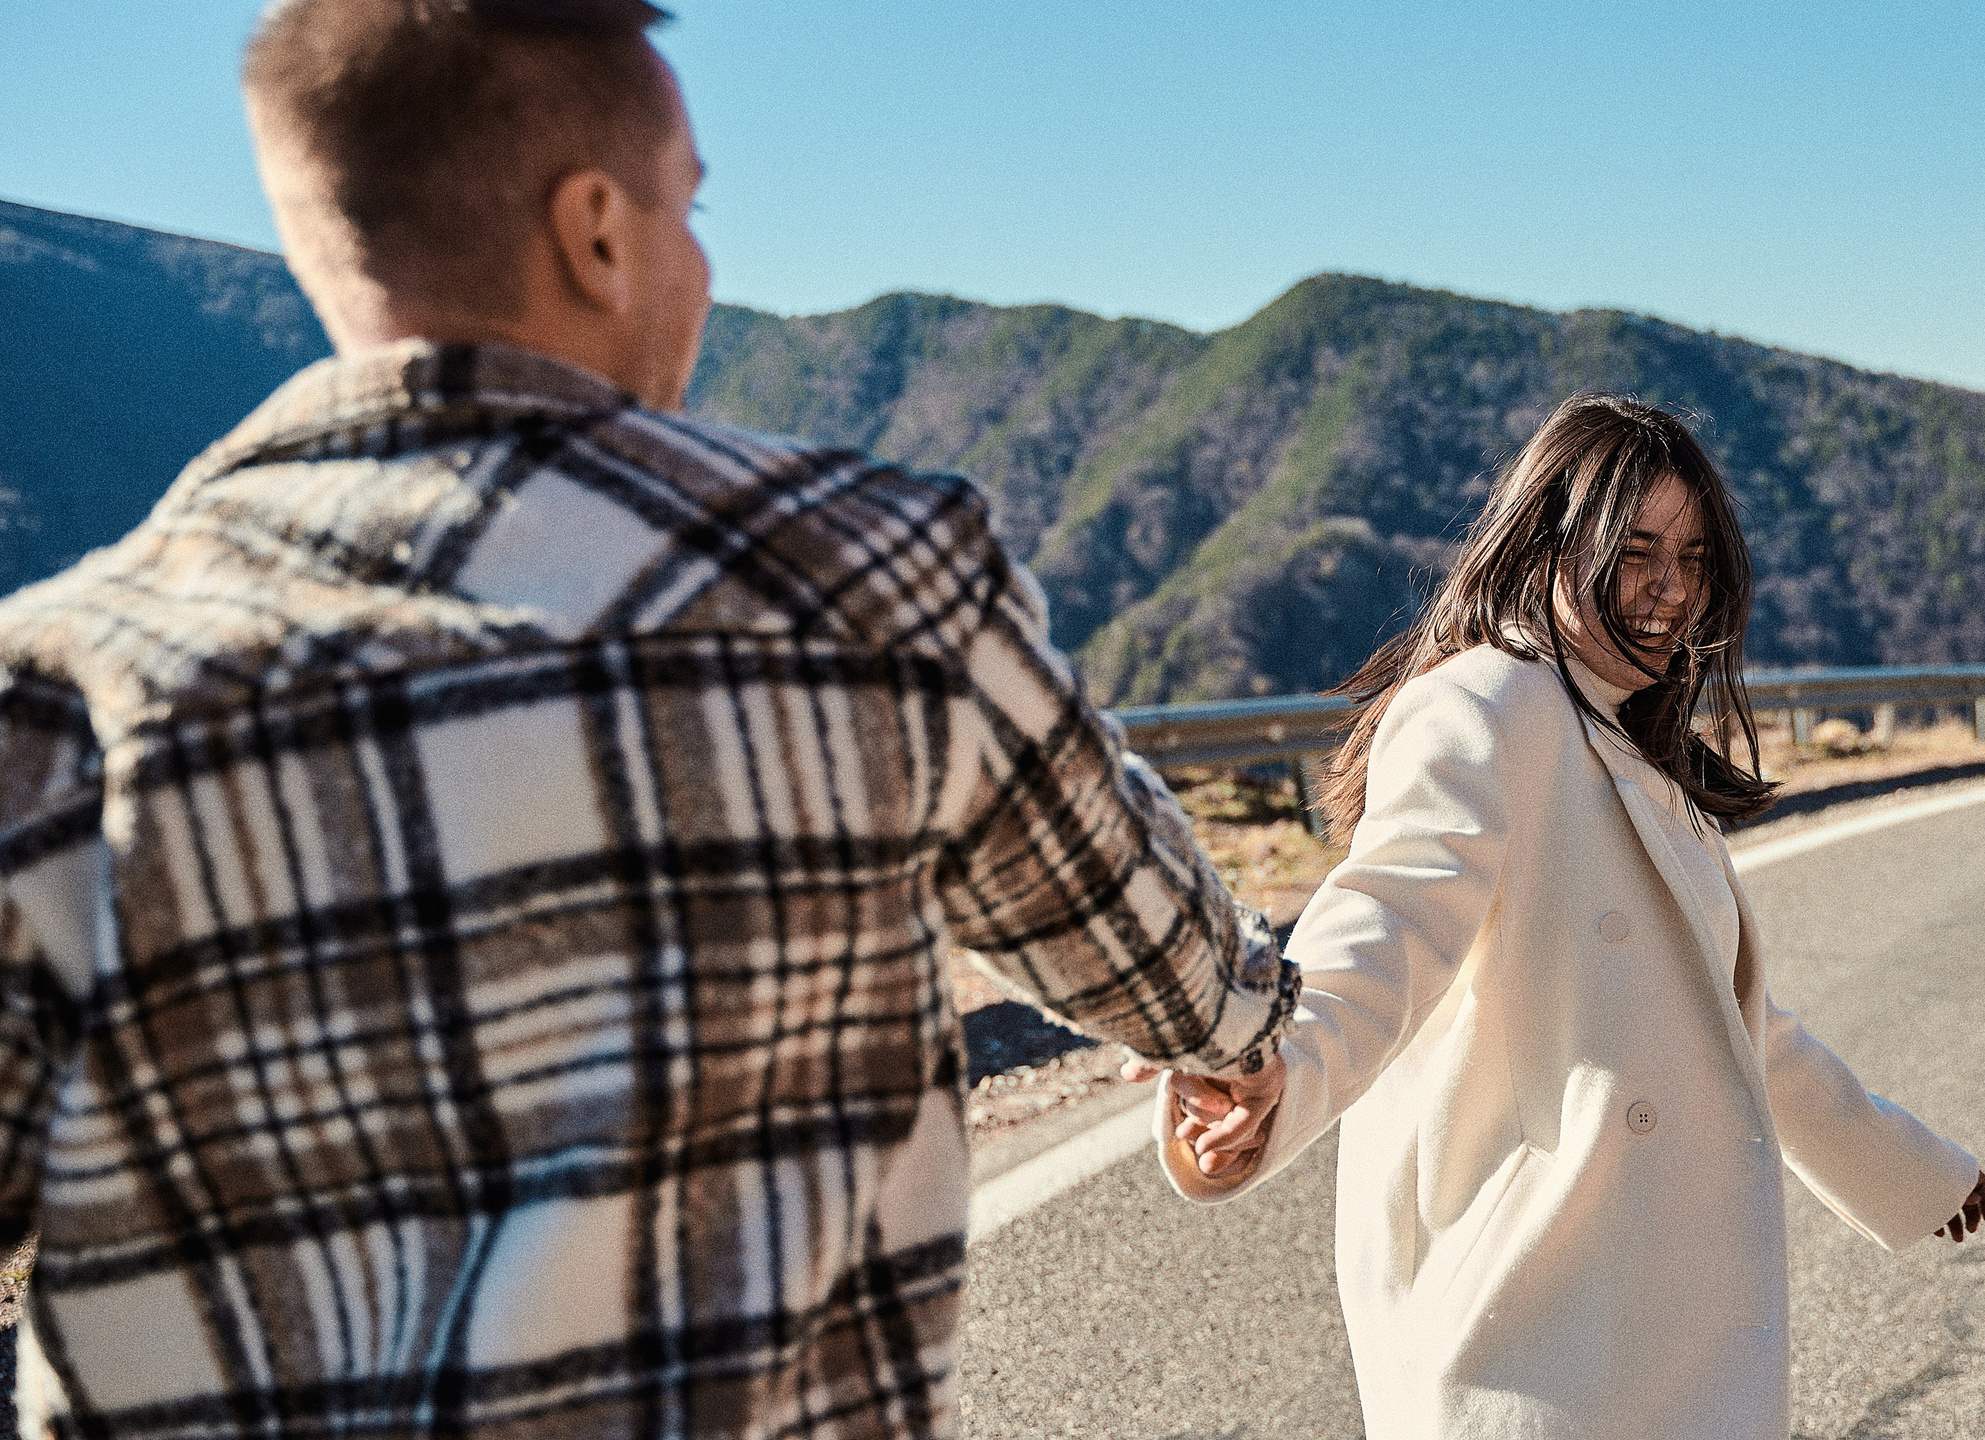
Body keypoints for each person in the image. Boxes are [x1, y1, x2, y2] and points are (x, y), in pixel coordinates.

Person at [0, 2, 1293, 1436]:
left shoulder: (56, 682)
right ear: (598, 231)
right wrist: (1241, 1040)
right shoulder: (871, 583)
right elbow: (1162, 959)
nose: (703, 262)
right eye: (692, 207)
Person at [1137, 395, 1985, 1437]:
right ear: (1547, 547)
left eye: (1692, 558)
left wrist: (1904, 1171)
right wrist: (1274, 1057)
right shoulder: (1484, 706)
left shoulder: (1632, 751)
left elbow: (1734, 1034)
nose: (1669, 589)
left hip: (1637, 1320)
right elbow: (1389, 919)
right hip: (1535, 1323)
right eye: (1633, 553)